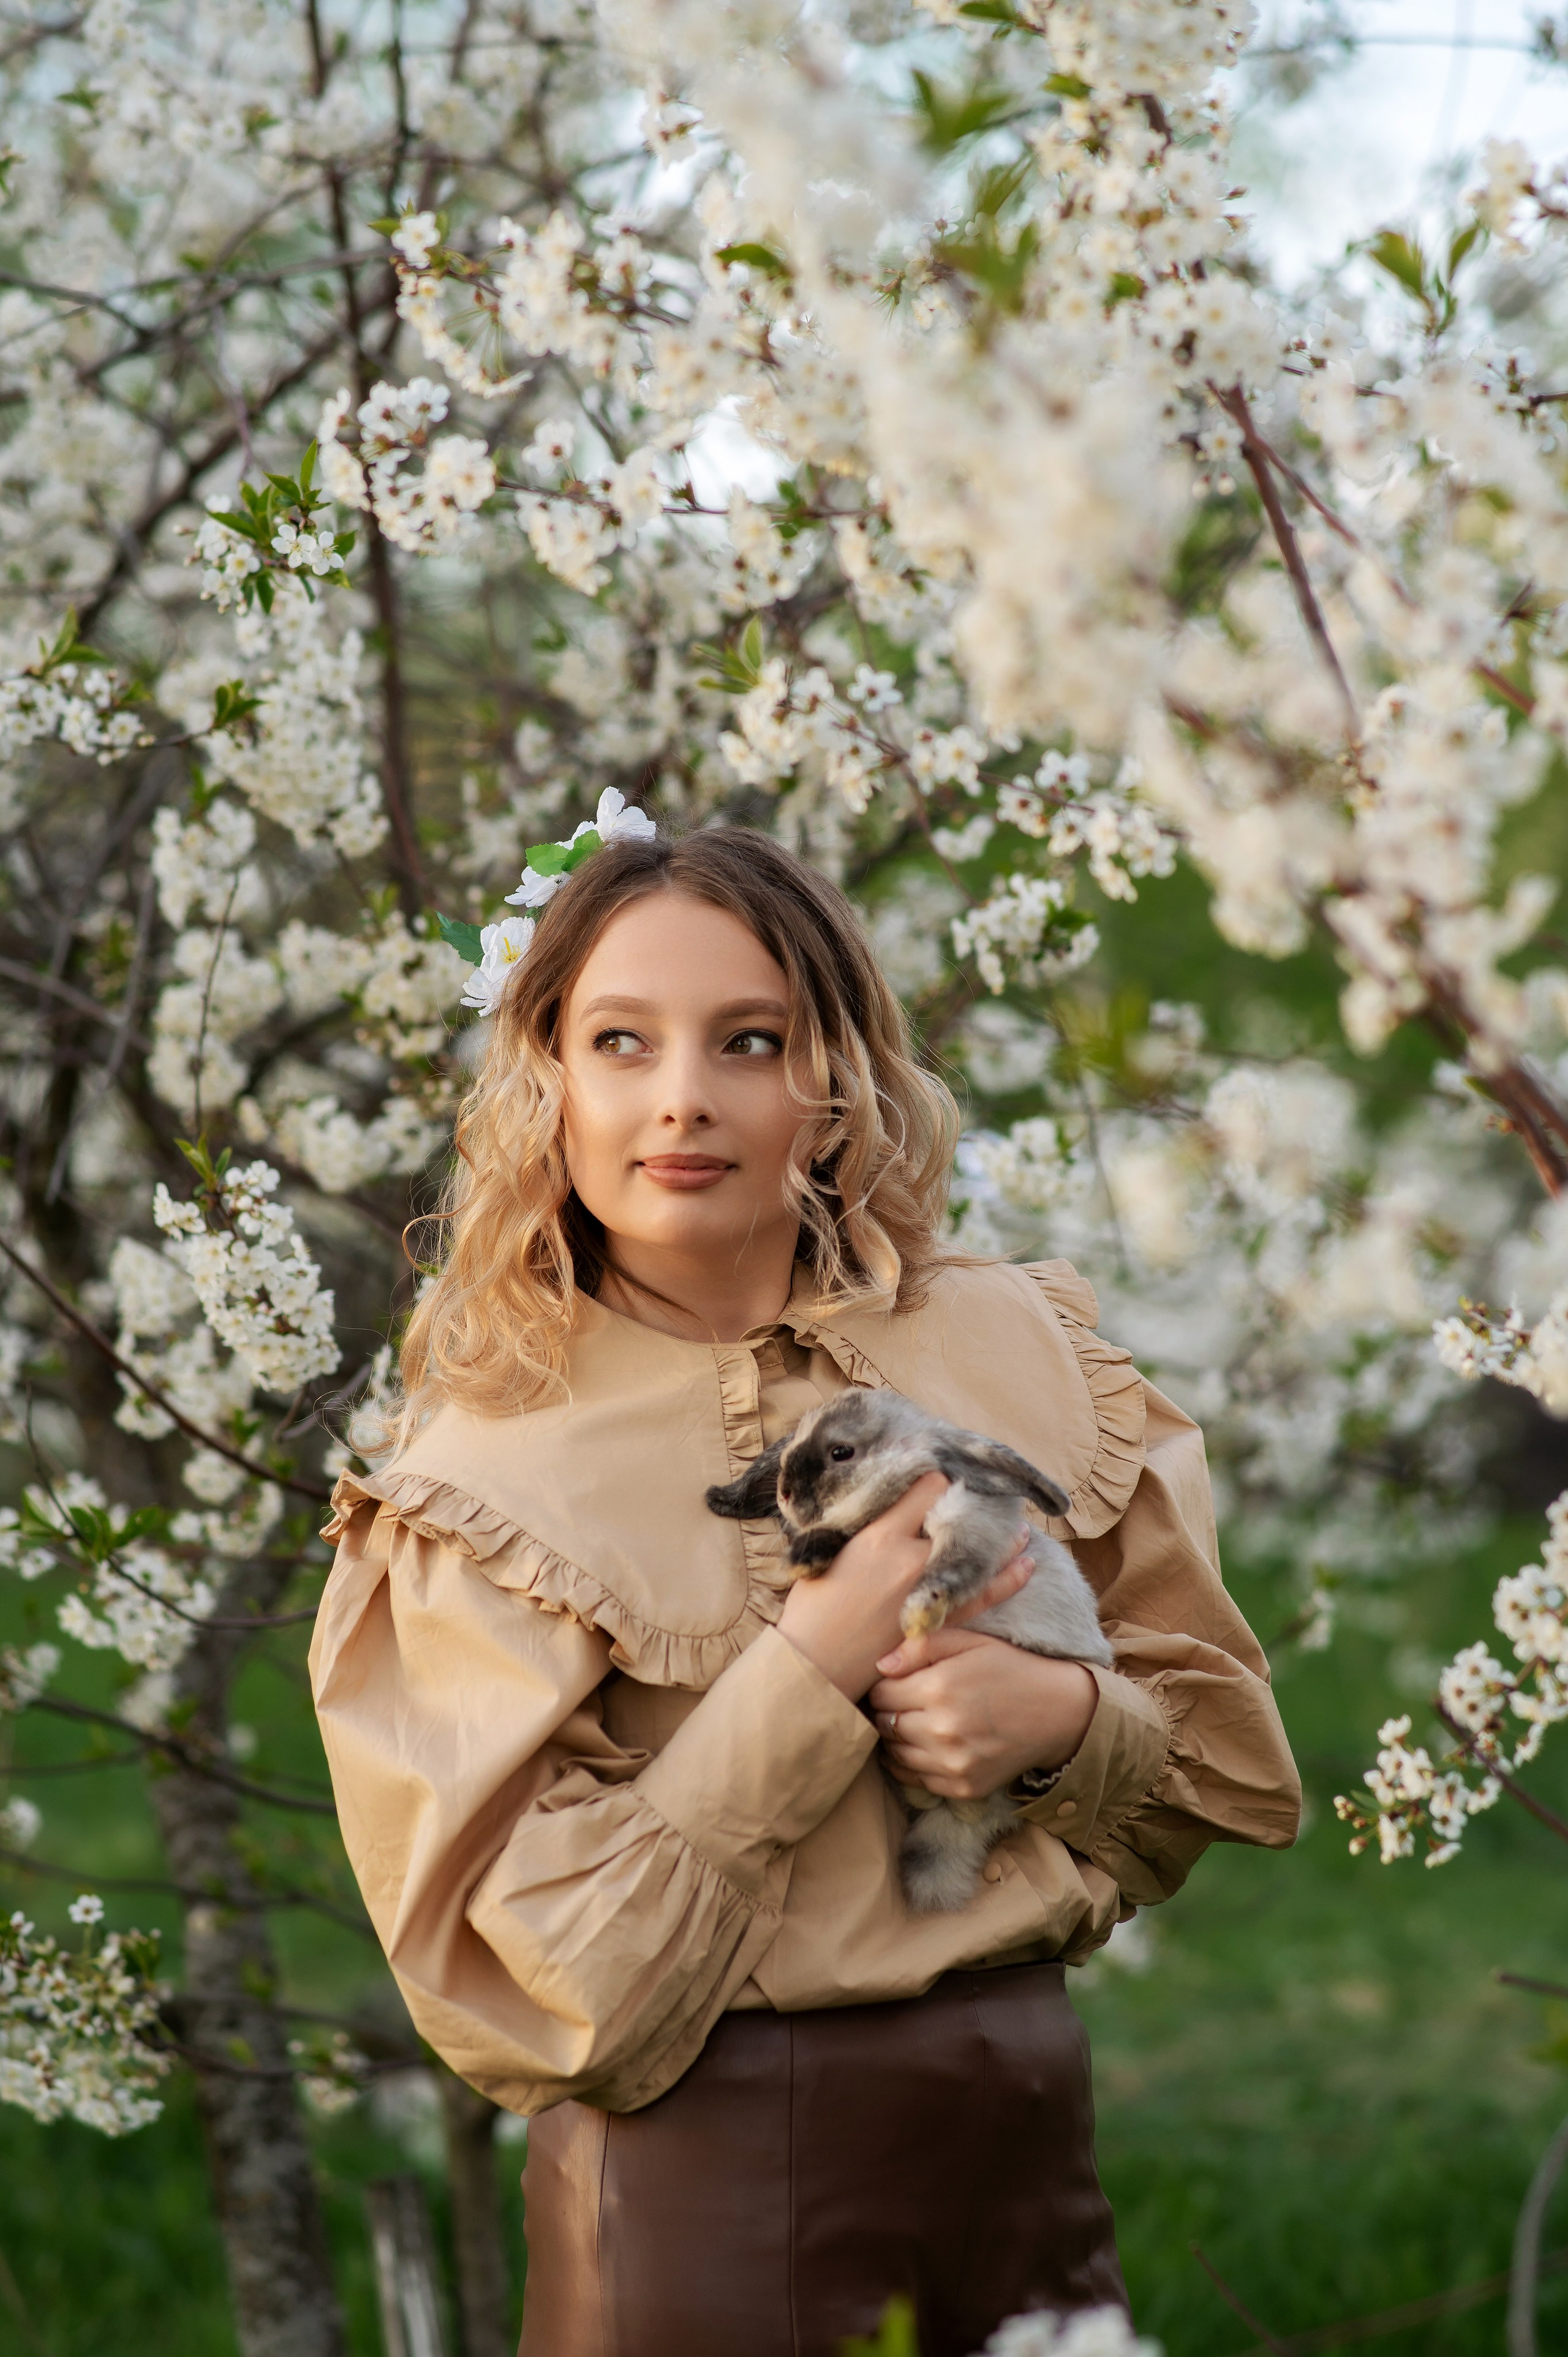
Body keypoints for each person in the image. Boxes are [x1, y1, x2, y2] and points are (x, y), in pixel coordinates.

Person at [310, 827, 1300, 2357]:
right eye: (618, 1041)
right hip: (709, 2170)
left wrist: (1053, 1714)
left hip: (1020, 2117)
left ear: (832, 1080)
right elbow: (553, 1989)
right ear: (547, 1083)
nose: (682, 1096)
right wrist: (812, 1664)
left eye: (748, 1040)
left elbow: (1230, 1771)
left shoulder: (1011, 1347)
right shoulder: (486, 1470)